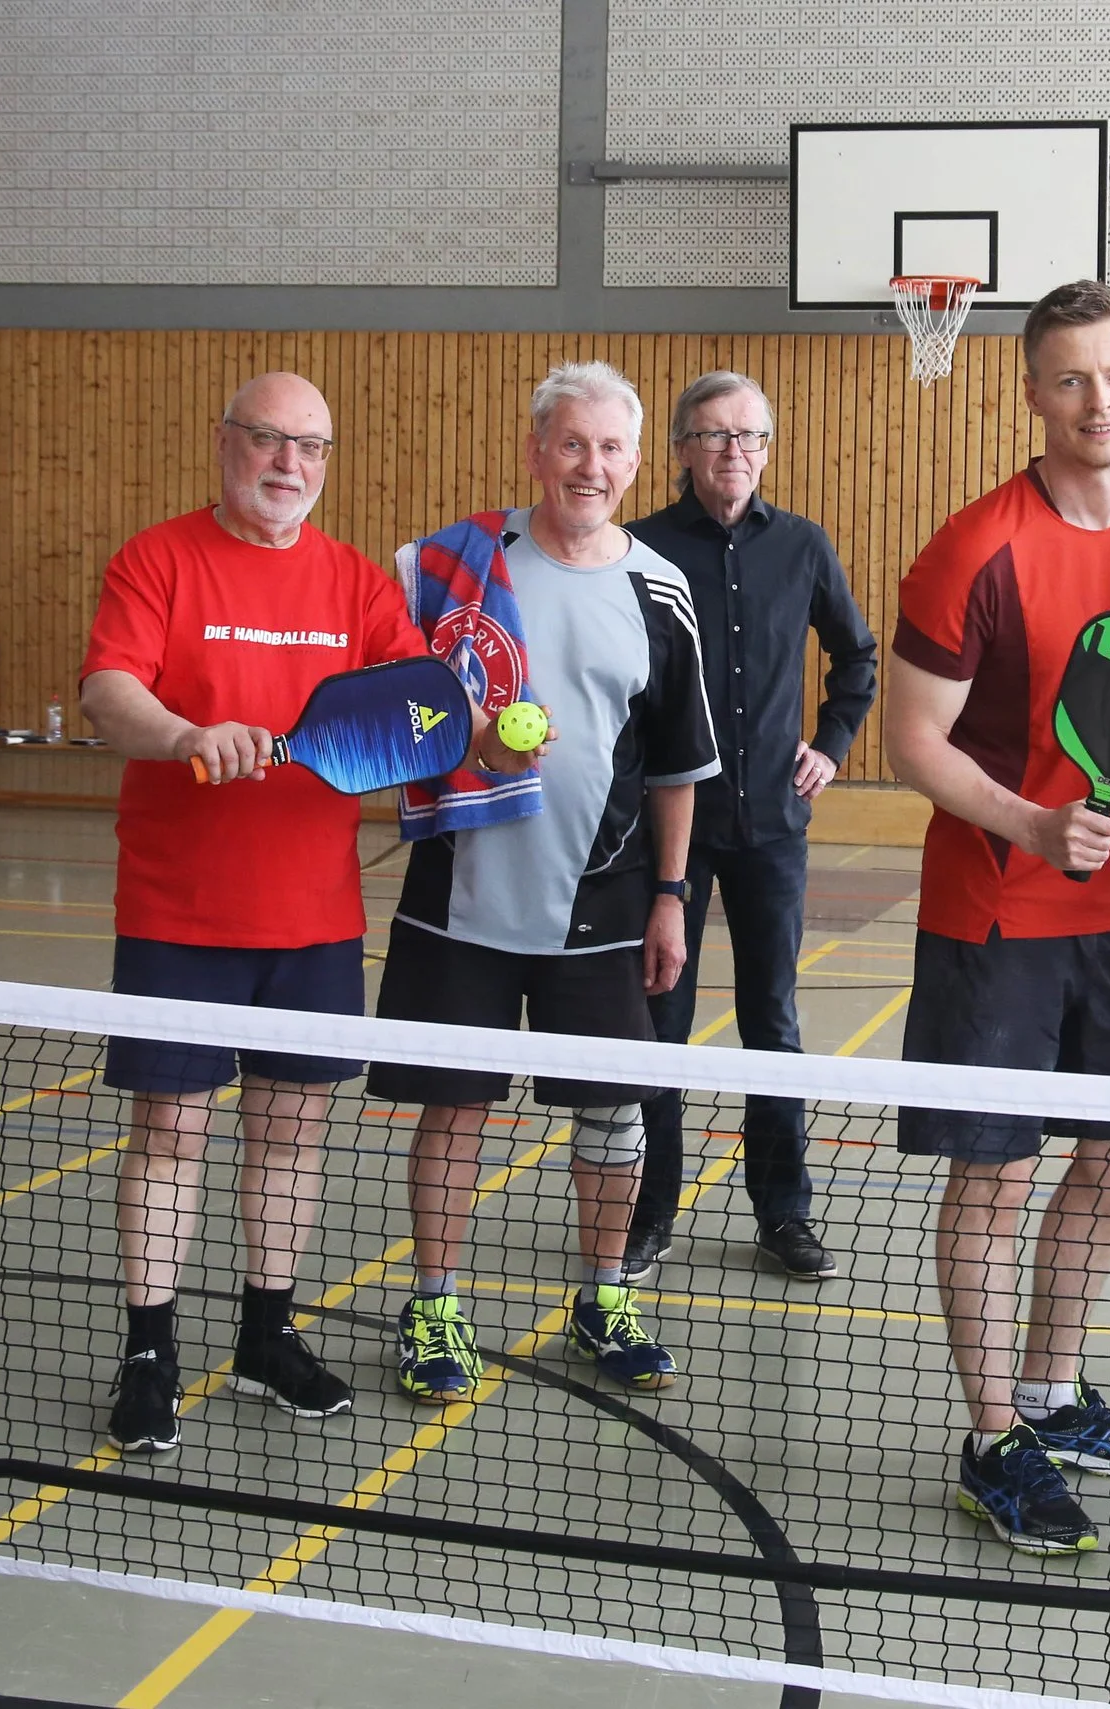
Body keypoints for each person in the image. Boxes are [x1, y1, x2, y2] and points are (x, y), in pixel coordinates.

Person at [884, 279, 1110, 1555]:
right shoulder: (973, 548)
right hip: (994, 915)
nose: (1096, 400)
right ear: (1031, 393)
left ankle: (1050, 1391)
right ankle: (991, 1441)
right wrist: (1027, 823)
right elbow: (912, 738)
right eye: (1070, 378)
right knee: (995, 1176)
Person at [79, 371, 431, 1455]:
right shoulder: (158, 559)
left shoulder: (355, 582)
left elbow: (415, 706)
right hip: (177, 913)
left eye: (311, 446)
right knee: (170, 1133)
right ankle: (149, 1352)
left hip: (313, 919)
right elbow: (107, 693)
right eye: (269, 439)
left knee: (289, 1134)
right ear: (224, 441)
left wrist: (487, 732)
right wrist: (187, 734)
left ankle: (267, 1335)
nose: (289, 463)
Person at [370, 361, 720, 1406]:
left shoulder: (661, 588)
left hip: (606, 901)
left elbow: (677, 767)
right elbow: (392, 709)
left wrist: (670, 897)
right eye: (571, 443)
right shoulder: (452, 569)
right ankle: (434, 1303)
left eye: (610, 448)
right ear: (535, 451)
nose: (590, 466)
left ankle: (605, 1297)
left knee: (612, 1114)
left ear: (636, 462)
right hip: (460, 894)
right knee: (454, 1111)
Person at [621, 371, 878, 1285]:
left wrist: (832, 746)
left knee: (773, 1021)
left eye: (750, 436)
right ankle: (648, 1212)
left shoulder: (802, 545)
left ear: (766, 450)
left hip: (773, 824)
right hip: (670, 832)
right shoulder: (639, 549)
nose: (735, 451)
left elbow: (857, 657)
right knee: (662, 1018)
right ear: (683, 450)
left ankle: (783, 1212)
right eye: (716, 435)